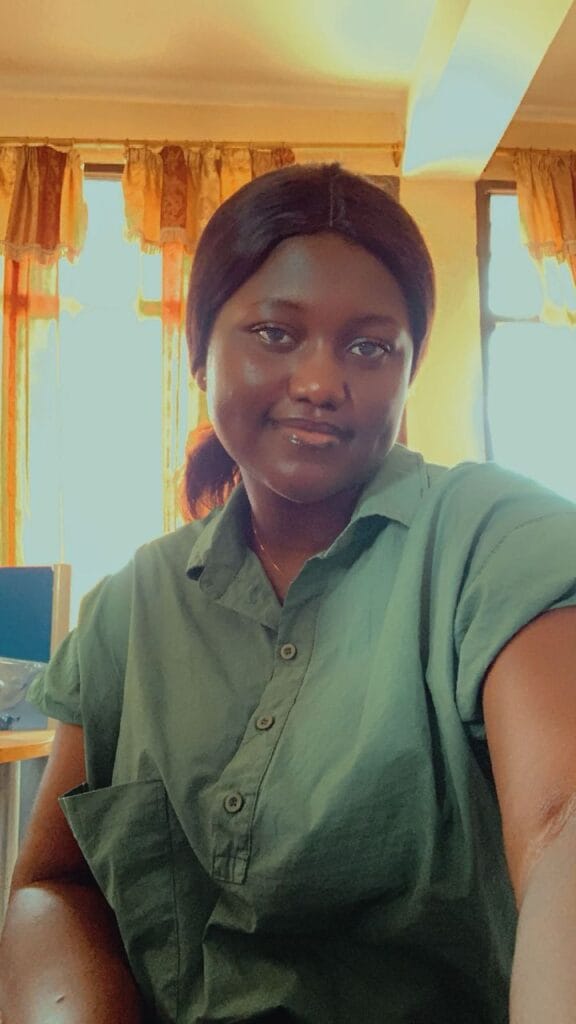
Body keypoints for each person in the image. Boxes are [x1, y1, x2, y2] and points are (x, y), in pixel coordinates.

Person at [1, 162, 576, 1024]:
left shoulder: (490, 536)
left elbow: (561, 821)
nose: (321, 381)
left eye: (370, 346)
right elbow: (54, 882)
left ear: (409, 369)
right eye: (276, 334)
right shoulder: (133, 607)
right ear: (200, 351)